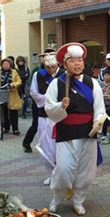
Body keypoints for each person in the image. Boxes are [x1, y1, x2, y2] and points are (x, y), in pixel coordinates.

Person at [45, 42, 105, 216]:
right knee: (64, 169)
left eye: (80, 60)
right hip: (66, 131)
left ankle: (78, 200)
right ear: (65, 64)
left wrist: (97, 123)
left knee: (86, 170)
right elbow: (49, 109)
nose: (77, 64)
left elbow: (99, 108)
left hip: (87, 131)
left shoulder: (92, 83)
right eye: (73, 60)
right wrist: (60, 106)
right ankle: (57, 197)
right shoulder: (56, 84)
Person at [30, 52, 64, 186]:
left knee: (60, 146)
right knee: (45, 145)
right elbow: (34, 92)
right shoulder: (38, 75)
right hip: (44, 115)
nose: (50, 69)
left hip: (60, 116)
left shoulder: (64, 75)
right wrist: (49, 100)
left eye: (53, 66)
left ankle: (61, 174)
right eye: (48, 67)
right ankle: (50, 174)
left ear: (58, 64)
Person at [22, 48, 55, 153]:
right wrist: (44, 99)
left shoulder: (60, 72)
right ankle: (27, 142)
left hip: (55, 106)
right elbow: (33, 89)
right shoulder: (37, 71)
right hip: (38, 104)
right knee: (36, 124)